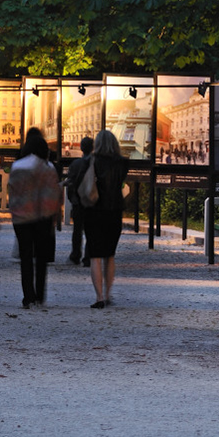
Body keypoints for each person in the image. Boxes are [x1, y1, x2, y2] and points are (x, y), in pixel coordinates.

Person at [8, 128, 63, 309]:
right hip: (42, 217)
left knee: (25, 257)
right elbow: (53, 194)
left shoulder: (17, 166)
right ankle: (40, 294)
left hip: (22, 217)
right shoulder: (48, 168)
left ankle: (28, 296)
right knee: (41, 257)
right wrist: (54, 216)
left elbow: (12, 192)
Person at [82, 129, 129, 308]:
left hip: (94, 211)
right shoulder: (123, 163)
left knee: (95, 255)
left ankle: (99, 297)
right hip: (114, 211)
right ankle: (108, 294)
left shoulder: (90, 161)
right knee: (110, 255)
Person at [64, 136, 94, 266]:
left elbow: (70, 184)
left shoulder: (75, 164)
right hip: (92, 202)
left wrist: (73, 200)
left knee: (77, 231)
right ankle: (88, 257)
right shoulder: (95, 163)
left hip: (78, 202)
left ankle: (75, 255)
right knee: (91, 231)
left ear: (81, 148)